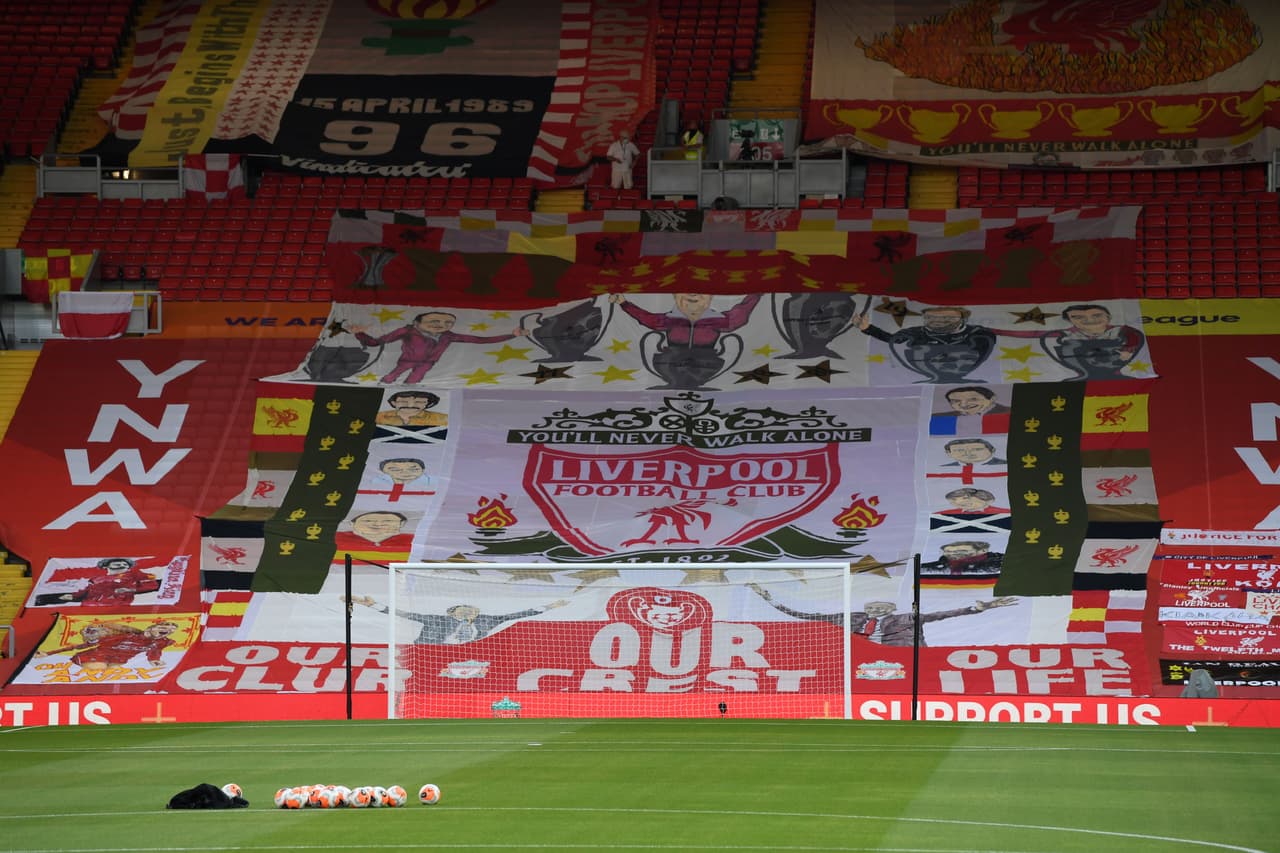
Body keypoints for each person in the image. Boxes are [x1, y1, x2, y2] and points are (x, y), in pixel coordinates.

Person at [747, 584, 1015, 646]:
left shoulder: (904, 620)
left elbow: (943, 615)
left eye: (881, 608)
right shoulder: (849, 617)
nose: (875, 610)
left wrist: (979, 608)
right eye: (872, 607)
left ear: (891, 611)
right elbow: (805, 615)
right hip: (857, 653)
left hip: (891, 655)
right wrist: (770, 600)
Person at [609, 291, 760, 389]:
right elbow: (646, 318)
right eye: (685, 294)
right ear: (675, 297)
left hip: (706, 364)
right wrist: (624, 303)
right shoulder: (669, 320)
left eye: (702, 294)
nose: (694, 295)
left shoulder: (718, 321)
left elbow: (740, 314)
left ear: (710, 298)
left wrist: (756, 294)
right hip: (670, 364)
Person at [350, 311, 524, 385]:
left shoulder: (449, 336)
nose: (441, 325)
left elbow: (480, 340)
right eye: (434, 322)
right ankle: (384, 386)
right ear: (417, 323)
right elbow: (377, 343)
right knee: (391, 376)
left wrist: (512, 335)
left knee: (415, 381)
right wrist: (360, 334)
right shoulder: (407, 331)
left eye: (448, 323)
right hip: (406, 361)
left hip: (428, 364)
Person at [991, 303, 1145, 380]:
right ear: (1069, 320)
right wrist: (994, 330)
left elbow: (1135, 336)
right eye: (1078, 317)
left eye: (1097, 315)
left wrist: (1128, 349)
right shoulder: (1066, 334)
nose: (1089, 320)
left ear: (1108, 317)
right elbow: (1031, 333)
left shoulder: (1120, 330)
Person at [854, 306, 996, 384]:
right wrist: (867, 328)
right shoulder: (915, 332)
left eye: (948, 317)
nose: (940, 320)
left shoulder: (979, 333)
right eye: (932, 317)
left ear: (962, 318)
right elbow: (893, 339)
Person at [347, 596, 568, 644]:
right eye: (463, 610)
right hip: (432, 652)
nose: (468, 612)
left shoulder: (487, 621)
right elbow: (403, 614)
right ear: (452, 612)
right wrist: (373, 605)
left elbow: (519, 614)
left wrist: (550, 606)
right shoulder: (435, 620)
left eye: (471, 609)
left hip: (469, 653)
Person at [35, 620, 179, 671]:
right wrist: (50, 653)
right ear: (153, 627)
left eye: (171, 631)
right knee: (99, 669)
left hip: (120, 661)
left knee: (113, 672)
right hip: (96, 656)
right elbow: (82, 645)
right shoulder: (124, 635)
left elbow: (155, 651)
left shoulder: (161, 641)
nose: (167, 632)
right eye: (165, 628)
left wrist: (154, 660)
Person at [33, 557, 160, 608]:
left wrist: (132, 590)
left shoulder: (135, 574)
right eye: (117, 562)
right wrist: (73, 596)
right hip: (90, 603)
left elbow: (152, 584)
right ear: (107, 566)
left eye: (125, 563)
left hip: (116, 603)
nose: (121, 564)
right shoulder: (97, 578)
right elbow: (88, 590)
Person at [334, 510, 415, 553]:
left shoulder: (413, 540)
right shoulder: (335, 538)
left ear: (402, 524)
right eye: (368, 521)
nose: (377, 524)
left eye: (388, 521)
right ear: (352, 524)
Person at [919, 541, 1004, 578]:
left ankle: (920, 568)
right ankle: (920, 568)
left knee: (936, 568)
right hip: (958, 564)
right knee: (938, 566)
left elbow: (977, 569)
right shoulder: (993, 557)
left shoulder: (994, 563)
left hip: (958, 568)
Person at [376, 391, 447, 427]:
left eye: (419, 402)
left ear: (427, 404)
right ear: (394, 403)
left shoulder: (442, 419)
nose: (410, 405)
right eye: (403, 401)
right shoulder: (379, 416)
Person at [935, 386, 1010, 417]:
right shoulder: (939, 418)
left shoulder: (1009, 413)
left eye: (973, 399)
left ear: (992, 399)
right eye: (956, 401)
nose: (963, 404)